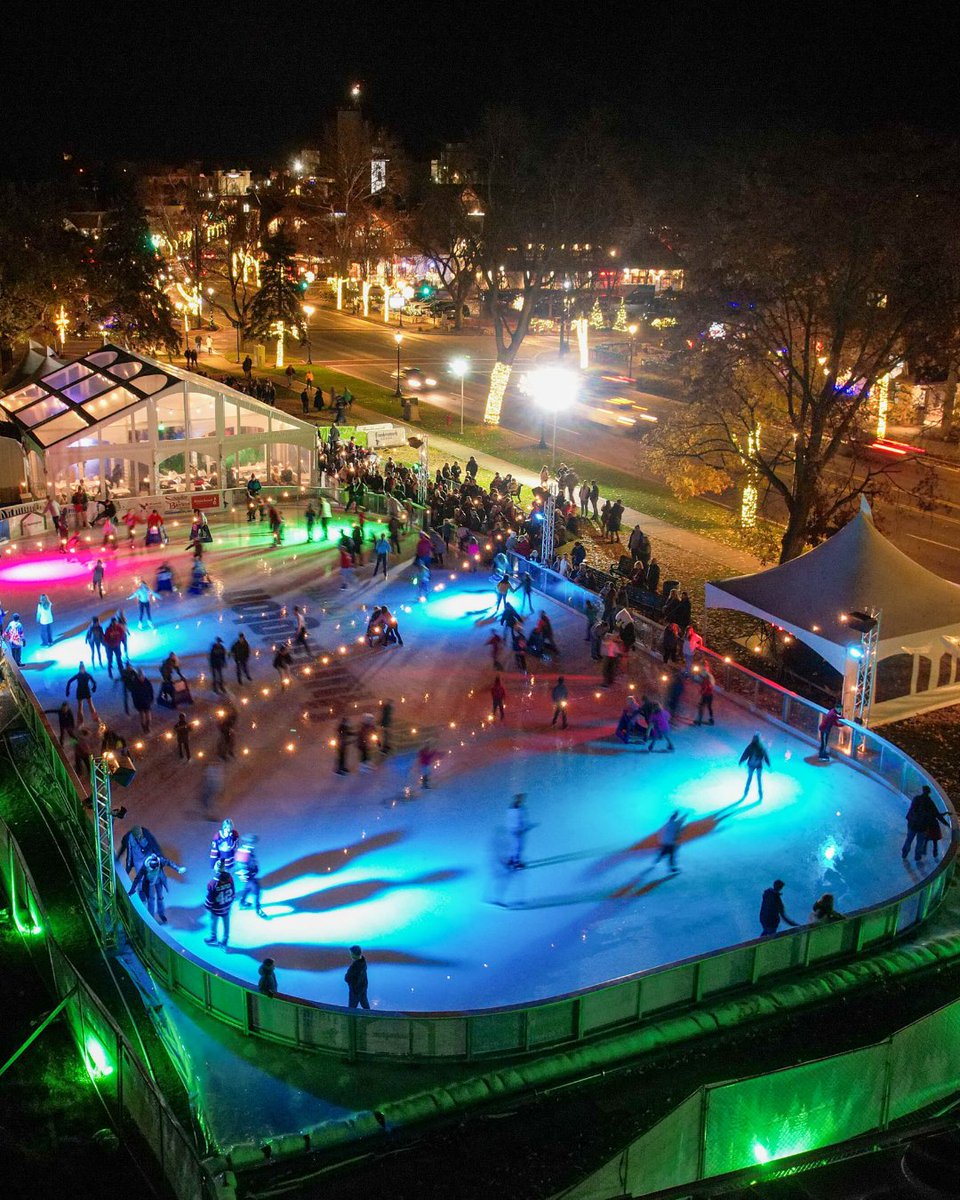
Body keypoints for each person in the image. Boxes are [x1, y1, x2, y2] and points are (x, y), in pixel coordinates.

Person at [128, 850, 185, 924]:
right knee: (151, 900)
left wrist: (178, 869)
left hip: (159, 881)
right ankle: (151, 918)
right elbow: (137, 878)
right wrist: (132, 889)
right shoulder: (145, 867)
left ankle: (161, 914)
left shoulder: (160, 861)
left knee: (160, 897)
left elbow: (169, 863)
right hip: (149, 883)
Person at [902, 784, 948, 863]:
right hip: (922, 826)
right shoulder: (930, 802)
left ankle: (905, 852)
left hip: (913, 824)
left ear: (923, 791)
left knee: (909, 839)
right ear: (929, 792)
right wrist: (946, 823)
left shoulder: (917, 799)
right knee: (920, 842)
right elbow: (937, 814)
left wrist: (910, 820)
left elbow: (912, 810)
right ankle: (917, 856)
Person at [204, 858, 235, 948]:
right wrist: (230, 902)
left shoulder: (212, 883)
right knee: (226, 921)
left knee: (213, 921)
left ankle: (213, 937)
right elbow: (233, 891)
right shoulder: (229, 878)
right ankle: (225, 939)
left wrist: (208, 906)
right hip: (226, 906)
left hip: (216, 908)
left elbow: (210, 898)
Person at [236, 833, 266, 916]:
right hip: (248, 876)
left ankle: (242, 902)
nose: (254, 844)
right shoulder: (244, 852)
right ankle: (258, 909)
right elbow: (240, 866)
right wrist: (246, 876)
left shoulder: (248, 850)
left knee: (248, 888)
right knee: (257, 891)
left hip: (250, 875)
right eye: (253, 842)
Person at [739, 733, 770, 801]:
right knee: (752, 778)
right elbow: (745, 754)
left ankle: (757, 793)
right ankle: (749, 791)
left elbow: (765, 756)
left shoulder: (760, 747)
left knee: (756, 779)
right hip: (753, 765)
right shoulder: (752, 747)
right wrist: (741, 760)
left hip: (756, 765)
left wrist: (768, 764)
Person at [507, 794, 532, 869]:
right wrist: (517, 829)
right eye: (521, 799)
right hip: (517, 831)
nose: (522, 800)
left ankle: (511, 860)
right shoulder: (515, 810)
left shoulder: (519, 808)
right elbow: (515, 821)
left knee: (515, 846)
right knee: (518, 847)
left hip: (518, 831)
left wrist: (526, 827)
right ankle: (516, 863)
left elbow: (523, 820)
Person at [345, 945, 370, 1009]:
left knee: (352, 1008)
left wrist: (349, 979)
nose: (351, 955)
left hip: (355, 990)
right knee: (365, 1004)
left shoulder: (356, 966)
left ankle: (351, 1018)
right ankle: (370, 1016)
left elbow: (348, 978)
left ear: (354, 954)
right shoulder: (363, 962)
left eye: (351, 954)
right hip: (363, 987)